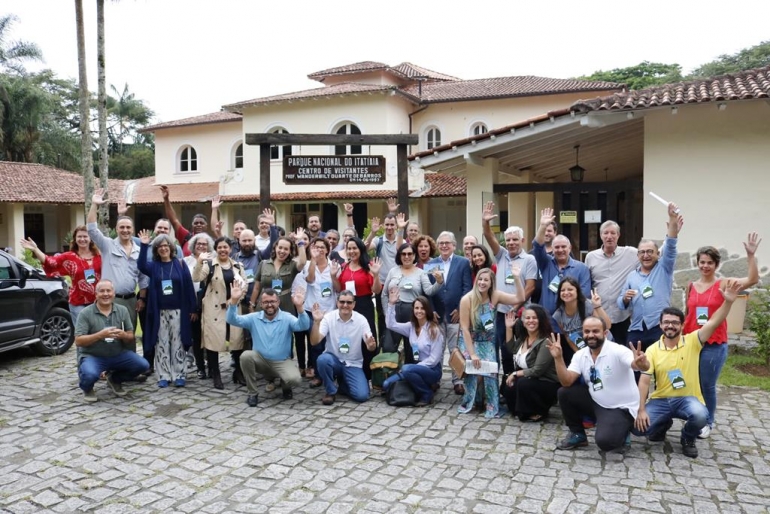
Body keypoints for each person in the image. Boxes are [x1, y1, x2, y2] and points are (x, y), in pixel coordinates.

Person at [635, 282, 743, 458]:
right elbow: (645, 380)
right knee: (638, 429)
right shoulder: (653, 349)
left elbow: (715, 321)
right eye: (667, 323)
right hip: (662, 400)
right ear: (660, 325)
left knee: (701, 416)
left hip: (688, 399)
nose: (670, 326)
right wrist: (640, 410)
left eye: (675, 323)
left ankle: (687, 437)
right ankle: (663, 424)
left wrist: (728, 302)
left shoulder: (694, 340)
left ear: (682, 325)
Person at [683, 236, 760, 438]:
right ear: (697, 263)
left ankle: (708, 422)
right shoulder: (690, 286)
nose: (705, 266)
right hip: (692, 342)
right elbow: (688, 314)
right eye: (702, 262)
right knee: (693, 383)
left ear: (716, 264)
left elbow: (752, 279)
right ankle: (695, 416)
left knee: (707, 385)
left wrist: (751, 255)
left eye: (709, 262)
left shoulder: (724, 283)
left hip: (713, 344)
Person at [550, 317, 649, 453]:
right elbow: (566, 381)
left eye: (596, 331)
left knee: (605, 443)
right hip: (596, 400)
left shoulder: (618, 350)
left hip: (619, 407)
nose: (591, 335)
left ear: (605, 333)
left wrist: (641, 364)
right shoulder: (580, 355)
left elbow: (636, 364)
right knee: (564, 392)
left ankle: (624, 429)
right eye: (587, 331)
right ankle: (578, 434)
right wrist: (558, 358)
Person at [227, 283, 310, 407]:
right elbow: (232, 320)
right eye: (266, 302)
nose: (269, 304)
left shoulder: (287, 318)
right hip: (261, 361)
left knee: (295, 379)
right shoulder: (254, 318)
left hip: (281, 361)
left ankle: (285, 385)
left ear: (278, 302)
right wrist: (233, 301)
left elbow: (303, 325)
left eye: (272, 301)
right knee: (245, 356)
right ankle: (252, 393)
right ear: (261, 304)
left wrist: (299, 307)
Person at [457, 267, 525, 419]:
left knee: (490, 371)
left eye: (486, 280)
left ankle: (491, 404)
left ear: (491, 282)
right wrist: (472, 353)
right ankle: (474, 400)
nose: (482, 282)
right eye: (480, 279)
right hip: (471, 340)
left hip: (487, 340)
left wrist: (516, 278)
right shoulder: (467, 299)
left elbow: (520, 298)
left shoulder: (495, 295)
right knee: (475, 372)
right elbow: (465, 329)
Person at [87, 189, 149, 350]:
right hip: (110, 298)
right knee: (109, 334)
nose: (125, 230)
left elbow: (143, 278)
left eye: (128, 227)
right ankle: (110, 366)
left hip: (130, 300)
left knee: (129, 333)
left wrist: (142, 299)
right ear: (116, 228)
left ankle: (130, 367)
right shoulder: (107, 245)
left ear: (133, 229)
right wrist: (94, 204)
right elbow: (92, 230)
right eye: (122, 227)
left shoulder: (138, 250)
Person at [482, 201, 538, 377]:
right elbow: (489, 237)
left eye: (515, 239)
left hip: (521, 313)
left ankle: (521, 380)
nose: (511, 243)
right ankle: (507, 382)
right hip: (500, 313)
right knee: (504, 349)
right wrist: (485, 222)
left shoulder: (529, 260)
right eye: (508, 240)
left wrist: (515, 308)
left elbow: (530, 287)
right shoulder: (501, 255)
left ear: (522, 240)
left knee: (522, 349)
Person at [618, 202, 683, 350]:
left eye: (650, 252)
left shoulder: (664, 268)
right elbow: (620, 303)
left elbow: (671, 246)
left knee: (660, 369)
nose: (646, 255)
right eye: (642, 252)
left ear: (657, 254)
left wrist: (672, 220)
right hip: (636, 328)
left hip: (658, 328)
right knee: (634, 367)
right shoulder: (632, 276)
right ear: (638, 255)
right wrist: (625, 298)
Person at [137, 230, 198, 388]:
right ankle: (163, 374)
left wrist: (192, 308)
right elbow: (141, 265)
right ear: (156, 250)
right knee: (162, 342)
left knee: (178, 342)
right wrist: (144, 246)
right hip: (160, 311)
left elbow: (189, 287)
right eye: (159, 246)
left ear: (171, 248)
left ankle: (179, 374)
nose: (163, 248)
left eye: (166, 245)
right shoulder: (154, 266)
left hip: (179, 310)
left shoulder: (180, 264)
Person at [75, 280, 149, 402]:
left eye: (108, 291)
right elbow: (78, 341)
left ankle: (115, 379)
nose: (105, 294)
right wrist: (100, 335)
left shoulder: (122, 310)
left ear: (114, 293)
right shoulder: (85, 313)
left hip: (117, 354)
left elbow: (131, 336)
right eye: (102, 291)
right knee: (89, 374)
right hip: (93, 356)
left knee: (143, 365)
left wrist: (124, 335)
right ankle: (87, 388)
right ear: (96, 294)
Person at [192, 236, 248, 389]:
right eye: (220, 247)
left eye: (226, 247)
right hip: (214, 309)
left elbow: (245, 285)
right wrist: (198, 261)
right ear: (216, 249)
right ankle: (215, 374)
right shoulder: (209, 264)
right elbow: (196, 277)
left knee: (237, 339)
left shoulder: (237, 266)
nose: (223, 250)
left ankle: (238, 372)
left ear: (230, 249)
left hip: (233, 307)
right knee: (213, 341)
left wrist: (237, 298)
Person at [21, 226, 101, 324]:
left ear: (90, 239)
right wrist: (35, 249)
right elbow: (49, 262)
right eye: (79, 237)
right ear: (75, 239)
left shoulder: (99, 256)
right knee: (82, 333)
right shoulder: (69, 257)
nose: (82, 239)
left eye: (85, 236)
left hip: (98, 301)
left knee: (97, 331)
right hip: (78, 302)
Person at [311, 291, 378, 405]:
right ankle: (330, 391)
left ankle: (343, 385)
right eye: (342, 302)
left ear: (354, 304)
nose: (345, 305)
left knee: (362, 396)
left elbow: (371, 346)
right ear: (337, 303)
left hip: (353, 363)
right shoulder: (328, 318)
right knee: (322, 360)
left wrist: (371, 345)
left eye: (349, 302)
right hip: (333, 360)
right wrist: (316, 322)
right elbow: (314, 341)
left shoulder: (361, 320)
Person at [426, 231, 472, 395]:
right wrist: (430, 310)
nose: (444, 246)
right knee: (436, 349)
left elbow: (467, 288)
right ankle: (435, 379)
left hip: (455, 313)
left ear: (454, 245)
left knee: (456, 348)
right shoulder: (432, 264)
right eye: (441, 243)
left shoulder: (463, 263)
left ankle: (458, 380)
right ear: (438, 246)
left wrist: (461, 309)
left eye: (447, 243)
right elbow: (428, 289)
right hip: (437, 313)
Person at [380, 242, 442, 359]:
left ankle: (409, 373)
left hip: (413, 312)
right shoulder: (393, 271)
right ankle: (391, 373)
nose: (406, 257)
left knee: (412, 348)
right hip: (395, 310)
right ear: (399, 256)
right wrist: (386, 312)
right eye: (403, 254)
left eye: (410, 254)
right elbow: (384, 294)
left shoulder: (421, 272)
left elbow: (429, 291)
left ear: (414, 256)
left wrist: (439, 283)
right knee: (388, 346)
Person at [332, 237, 383, 378]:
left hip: (364, 304)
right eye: (349, 248)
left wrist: (376, 274)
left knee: (367, 337)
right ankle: (347, 368)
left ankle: (367, 373)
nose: (351, 251)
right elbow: (338, 288)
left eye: (354, 248)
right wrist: (333, 277)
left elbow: (377, 290)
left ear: (360, 249)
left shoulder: (369, 267)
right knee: (347, 336)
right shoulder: (344, 267)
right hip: (346, 305)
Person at [383, 291, 444, 406]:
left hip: (432, 370)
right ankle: (417, 386)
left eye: (422, 308)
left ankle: (427, 393)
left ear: (427, 310)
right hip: (414, 368)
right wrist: (391, 304)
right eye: (416, 308)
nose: (419, 311)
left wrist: (413, 367)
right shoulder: (411, 327)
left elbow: (434, 359)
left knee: (406, 369)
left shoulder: (434, 330)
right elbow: (391, 325)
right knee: (386, 384)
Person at [501, 306, 560, 422]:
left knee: (522, 383)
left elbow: (537, 370)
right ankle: (521, 410)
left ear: (541, 320)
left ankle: (539, 410)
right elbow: (511, 348)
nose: (531, 321)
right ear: (523, 322)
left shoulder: (545, 341)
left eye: (534, 318)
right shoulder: (524, 338)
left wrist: (516, 373)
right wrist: (509, 328)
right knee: (507, 382)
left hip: (546, 381)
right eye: (527, 318)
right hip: (529, 378)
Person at [585, 220, 639, 345]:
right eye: (606, 233)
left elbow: (652, 254)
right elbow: (588, 284)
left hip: (622, 316)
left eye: (613, 233)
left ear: (618, 235)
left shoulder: (630, 253)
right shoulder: (591, 257)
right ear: (601, 235)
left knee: (623, 351)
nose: (609, 236)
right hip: (600, 314)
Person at [532, 208, 591, 315]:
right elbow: (537, 246)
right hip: (546, 319)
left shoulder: (582, 268)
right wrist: (543, 226)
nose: (560, 250)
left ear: (570, 248)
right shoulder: (546, 263)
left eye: (563, 246)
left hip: (571, 320)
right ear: (552, 250)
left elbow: (584, 295)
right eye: (557, 247)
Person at [552, 278, 611, 364]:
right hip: (585, 352)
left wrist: (597, 306)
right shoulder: (558, 315)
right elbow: (568, 337)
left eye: (570, 289)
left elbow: (608, 326)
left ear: (577, 291)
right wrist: (580, 355)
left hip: (603, 348)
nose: (566, 292)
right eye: (562, 290)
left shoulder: (588, 305)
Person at [303, 238, 337, 385]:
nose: (320, 250)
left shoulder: (334, 265)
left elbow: (339, 288)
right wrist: (313, 260)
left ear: (328, 250)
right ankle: (318, 375)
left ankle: (331, 372)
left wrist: (334, 276)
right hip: (313, 311)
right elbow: (310, 279)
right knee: (315, 344)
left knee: (330, 344)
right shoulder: (308, 264)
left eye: (323, 247)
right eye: (317, 247)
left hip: (330, 310)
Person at [185, 232, 215, 379]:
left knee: (209, 337)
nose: (202, 246)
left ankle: (211, 365)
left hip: (210, 305)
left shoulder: (213, 261)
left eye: (204, 244)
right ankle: (200, 367)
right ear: (193, 246)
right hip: (192, 304)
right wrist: (192, 308)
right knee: (196, 338)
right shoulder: (186, 261)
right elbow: (186, 285)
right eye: (199, 244)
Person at [161, 184, 211, 256]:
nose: (199, 225)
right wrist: (166, 199)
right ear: (192, 226)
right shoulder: (186, 237)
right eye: (196, 223)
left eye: (201, 223)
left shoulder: (211, 241)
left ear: (206, 226)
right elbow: (174, 221)